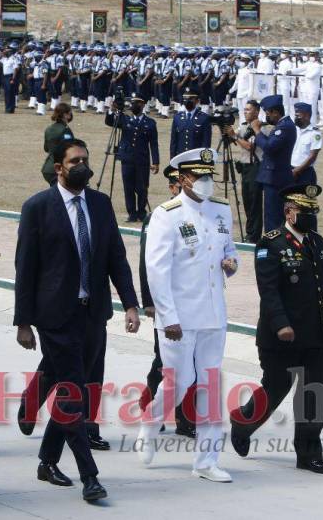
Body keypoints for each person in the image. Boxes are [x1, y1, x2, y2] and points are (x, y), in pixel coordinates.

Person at [14, 139, 140, 502]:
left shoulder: (99, 204)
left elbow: (116, 256)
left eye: (86, 159)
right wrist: (24, 321)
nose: (82, 165)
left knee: (76, 386)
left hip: (93, 313)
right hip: (54, 316)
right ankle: (90, 476)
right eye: (75, 161)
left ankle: (47, 459)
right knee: (74, 395)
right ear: (58, 168)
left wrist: (130, 304)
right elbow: (27, 268)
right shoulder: (38, 207)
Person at [137, 148, 239, 482]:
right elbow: (157, 269)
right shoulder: (167, 214)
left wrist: (231, 264)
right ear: (182, 179)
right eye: (200, 177)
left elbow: (229, 251)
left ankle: (206, 460)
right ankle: (151, 421)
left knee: (209, 384)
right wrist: (168, 317)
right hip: (179, 317)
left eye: (210, 176)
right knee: (178, 384)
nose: (207, 182)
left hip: (213, 314)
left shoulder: (221, 210)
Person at [230, 183, 323, 474]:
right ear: (289, 212)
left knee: (313, 393)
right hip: (281, 335)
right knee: (275, 389)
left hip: (313, 332)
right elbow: (269, 289)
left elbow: (319, 273)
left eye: (313, 212)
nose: (310, 218)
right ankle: (242, 423)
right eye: (305, 212)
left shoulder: (316, 241)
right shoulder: (270, 243)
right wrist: (281, 325)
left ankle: (309, 454)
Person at [138, 166, 196, 438]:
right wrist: (149, 301)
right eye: (175, 185)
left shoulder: (195, 215)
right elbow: (147, 263)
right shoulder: (159, 217)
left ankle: (186, 418)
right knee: (163, 362)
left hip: (192, 305)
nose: (177, 189)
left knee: (191, 364)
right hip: (166, 305)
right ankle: (150, 406)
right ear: (172, 187)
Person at [106, 94, 160, 222]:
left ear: (142, 105)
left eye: (136, 103)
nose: (133, 105)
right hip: (127, 159)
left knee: (142, 187)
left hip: (142, 160)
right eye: (132, 103)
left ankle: (141, 212)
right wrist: (112, 109)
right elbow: (109, 122)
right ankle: (131, 213)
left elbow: (153, 144)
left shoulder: (150, 123)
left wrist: (156, 161)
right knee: (128, 187)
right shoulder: (125, 119)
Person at [255, 94, 296, 232]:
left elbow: (269, 148)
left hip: (276, 178)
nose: (267, 117)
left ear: (275, 112)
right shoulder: (282, 125)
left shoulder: (285, 127)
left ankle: (273, 247)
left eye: (268, 113)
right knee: (273, 216)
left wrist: (257, 132)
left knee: (273, 217)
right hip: (274, 177)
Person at [228, 100, 264, 243]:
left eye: (248, 110)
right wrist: (227, 132)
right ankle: (250, 233)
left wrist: (234, 136)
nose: (245, 112)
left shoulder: (260, 127)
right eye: (244, 109)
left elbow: (250, 147)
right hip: (245, 168)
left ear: (256, 111)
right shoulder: (243, 127)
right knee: (247, 201)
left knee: (255, 202)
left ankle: (254, 236)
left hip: (256, 167)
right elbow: (230, 138)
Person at [169, 86, 212, 158]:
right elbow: (173, 141)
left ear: (197, 100)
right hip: (180, 158)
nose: (187, 101)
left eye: (191, 99)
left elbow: (206, 142)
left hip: (196, 158)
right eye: (185, 99)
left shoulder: (204, 118)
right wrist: (172, 159)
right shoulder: (177, 117)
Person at [42, 103, 75, 185]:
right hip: (59, 169)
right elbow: (70, 150)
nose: (71, 115)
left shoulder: (49, 129)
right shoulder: (65, 130)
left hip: (48, 168)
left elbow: (46, 148)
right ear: (65, 115)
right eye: (70, 113)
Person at [290, 102, 322, 186]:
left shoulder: (315, 133)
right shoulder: (293, 130)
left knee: (305, 198)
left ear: (307, 116)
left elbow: (312, 156)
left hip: (305, 172)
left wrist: (297, 171)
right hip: (290, 170)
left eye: (298, 116)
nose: (295, 118)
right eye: (295, 115)